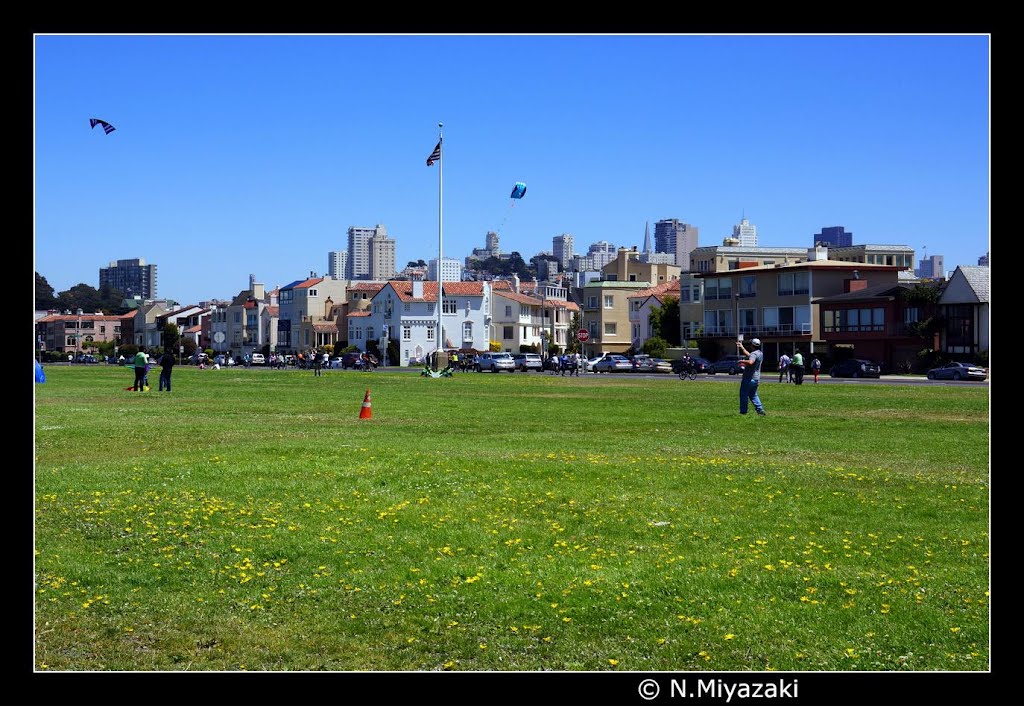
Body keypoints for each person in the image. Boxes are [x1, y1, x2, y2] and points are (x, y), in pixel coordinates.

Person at [736, 338, 766, 416]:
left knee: (743, 394)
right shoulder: (759, 353)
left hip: (749, 378)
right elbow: (750, 355)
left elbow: (750, 361)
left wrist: (742, 361)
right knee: (753, 395)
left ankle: (743, 411)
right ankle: (760, 410)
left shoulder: (754, 354)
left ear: (752, 345)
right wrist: (742, 347)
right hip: (756, 379)